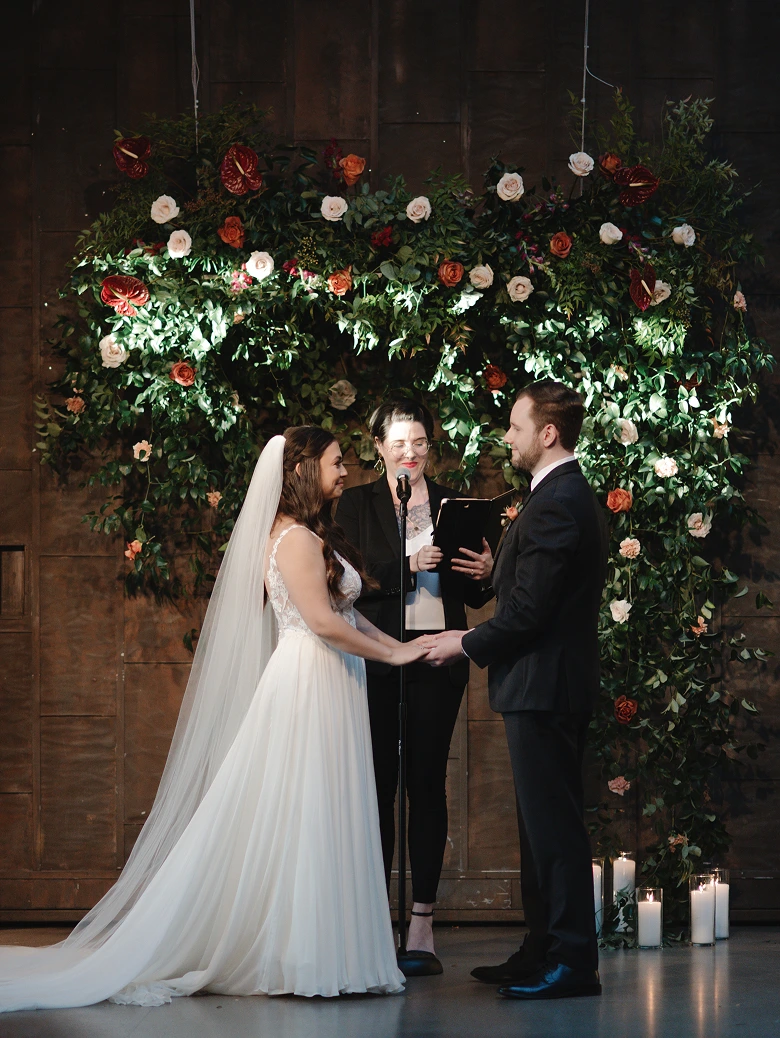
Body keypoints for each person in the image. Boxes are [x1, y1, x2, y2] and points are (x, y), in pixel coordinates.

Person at [0, 426, 426, 1011]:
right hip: (310, 680)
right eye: (334, 463)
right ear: (303, 471)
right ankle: (304, 955)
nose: (345, 471)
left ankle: (333, 951)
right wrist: (396, 654)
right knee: (307, 810)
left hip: (335, 679)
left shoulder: (311, 535)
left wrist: (401, 647)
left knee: (326, 809)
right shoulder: (295, 539)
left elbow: (347, 618)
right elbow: (324, 625)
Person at [422, 381, 608, 1000]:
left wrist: (463, 642)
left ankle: (574, 962)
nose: (508, 437)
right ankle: (542, 948)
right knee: (538, 828)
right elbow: (532, 587)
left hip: (545, 686)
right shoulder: (553, 495)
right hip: (542, 684)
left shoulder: (558, 499)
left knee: (553, 830)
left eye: (515, 427)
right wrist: (494, 571)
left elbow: (531, 613)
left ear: (547, 433)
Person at [337, 399, 493, 975]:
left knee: (427, 783)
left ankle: (422, 920)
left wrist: (485, 573)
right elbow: (347, 581)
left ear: (432, 446)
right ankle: (376, 917)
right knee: (376, 785)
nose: (411, 453)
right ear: (378, 446)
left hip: (438, 657)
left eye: (420, 443)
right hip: (377, 657)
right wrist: (408, 563)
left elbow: (472, 596)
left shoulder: (456, 503)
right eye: (400, 443)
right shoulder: (355, 504)